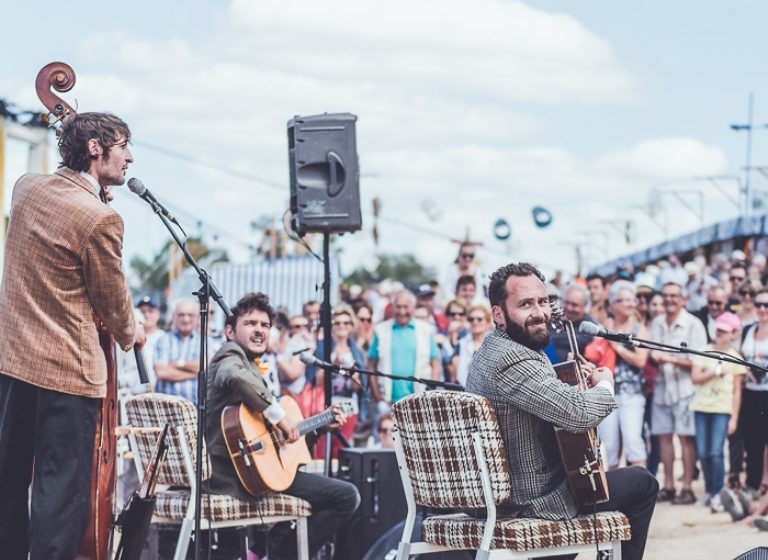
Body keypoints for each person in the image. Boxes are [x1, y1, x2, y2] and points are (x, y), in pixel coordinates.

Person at [0, 112, 146, 559]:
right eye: (124, 145)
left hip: (13, 365)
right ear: (97, 148)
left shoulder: (25, 187)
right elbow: (111, 301)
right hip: (69, 377)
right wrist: (133, 331)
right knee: (59, 500)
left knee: (7, 485)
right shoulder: (100, 219)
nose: (131, 156)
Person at [465, 262, 657, 560]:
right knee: (642, 483)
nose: (539, 313)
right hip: (531, 501)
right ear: (498, 314)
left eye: (543, 302)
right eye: (525, 304)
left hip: (513, 493)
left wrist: (569, 385)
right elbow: (577, 414)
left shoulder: (492, 350)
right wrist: (605, 385)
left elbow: (537, 395)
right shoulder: (512, 358)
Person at [205, 292, 359, 560]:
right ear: (230, 331)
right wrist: (279, 415)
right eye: (251, 323)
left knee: (323, 494)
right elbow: (233, 375)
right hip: (235, 476)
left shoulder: (252, 365)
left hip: (258, 470)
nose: (259, 330)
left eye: (265, 326)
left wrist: (320, 426)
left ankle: (260, 551)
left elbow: (285, 442)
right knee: (345, 496)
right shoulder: (229, 356)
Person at [650, 282, 707, 505]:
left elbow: (699, 360)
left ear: (683, 299)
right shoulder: (657, 323)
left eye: (674, 296)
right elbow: (652, 352)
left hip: (685, 390)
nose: (669, 300)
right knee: (664, 438)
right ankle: (670, 485)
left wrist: (669, 359)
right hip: (663, 388)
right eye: (665, 296)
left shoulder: (693, 324)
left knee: (685, 440)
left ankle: (687, 487)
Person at [690, 311, 746, 511]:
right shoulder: (704, 350)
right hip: (701, 407)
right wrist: (714, 372)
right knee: (703, 452)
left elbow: (737, 392)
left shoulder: (736, 358)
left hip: (722, 409)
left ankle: (718, 492)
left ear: (733, 334)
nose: (720, 334)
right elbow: (695, 377)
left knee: (716, 452)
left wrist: (734, 418)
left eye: (725, 331)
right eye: (718, 329)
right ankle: (709, 491)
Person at [594, 281, 649, 470]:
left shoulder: (639, 328)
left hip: (632, 392)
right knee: (608, 444)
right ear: (613, 304)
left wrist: (615, 346)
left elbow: (641, 361)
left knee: (633, 440)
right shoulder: (605, 326)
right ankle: (617, 492)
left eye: (631, 300)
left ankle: (643, 488)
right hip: (606, 392)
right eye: (624, 300)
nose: (630, 304)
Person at [306, 306, 367, 459]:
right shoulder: (323, 348)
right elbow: (316, 382)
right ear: (332, 326)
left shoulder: (356, 352)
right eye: (337, 322)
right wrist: (332, 365)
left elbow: (357, 388)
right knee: (320, 452)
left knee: (341, 453)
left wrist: (354, 375)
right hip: (325, 407)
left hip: (348, 409)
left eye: (346, 323)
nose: (342, 326)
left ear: (351, 326)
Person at [368, 290, 441, 411]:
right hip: (388, 403)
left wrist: (430, 395)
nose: (402, 312)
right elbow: (370, 366)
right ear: (393, 307)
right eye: (398, 307)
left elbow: (435, 365)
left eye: (406, 307)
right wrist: (378, 399)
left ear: (413, 307)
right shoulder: (381, 331)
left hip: (419, 403)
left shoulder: (426, 331)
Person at [737, 289, 768, 495]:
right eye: (758, 304)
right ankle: (752, 483)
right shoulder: (748, 329)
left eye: (766, 305)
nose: (762, 309)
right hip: (750, 391)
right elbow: (740, 356)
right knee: (751, 440)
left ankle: (763, 486)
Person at [154, 298, 201, 403]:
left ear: (197, 318)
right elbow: (162, 372)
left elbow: (206, 367)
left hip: (196, 409)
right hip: (166, 409)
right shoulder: (163, 340)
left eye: (190, 315)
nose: (186, 319)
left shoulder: (205, 341)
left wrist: (177, 364)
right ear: (173, 317)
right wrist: (194, 374)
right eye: (181, 315)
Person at [451, 304, 492, 386]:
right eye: (471, 319)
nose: (475, 322)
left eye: (479, 319)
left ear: (488, 324)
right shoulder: (461, 344)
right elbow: (455, 375)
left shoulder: (493, 345)